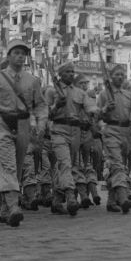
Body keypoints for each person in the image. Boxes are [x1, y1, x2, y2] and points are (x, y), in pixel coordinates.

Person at [0, 39, 48, 227]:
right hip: (2, 124)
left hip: (23, 125)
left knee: (18, 167)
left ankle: (4, 207)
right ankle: (13, 207)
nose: (20, 56)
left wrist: (42, 124)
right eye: (16, 53)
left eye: (23, 53)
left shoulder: (32, 80)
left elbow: (41, 105)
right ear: (9, 55)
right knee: (7, 165)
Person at [44, 62, 97, 216]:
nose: (71, 74)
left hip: (76, 131)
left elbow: (90, 108)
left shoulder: (80, 93)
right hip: (59, 130)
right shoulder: (52, 91)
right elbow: (45, 114)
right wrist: (56, 106)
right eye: (67, 72)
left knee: (69, 166)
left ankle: (56, 200)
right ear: (60, 74)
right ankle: (70, 197)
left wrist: (100, 112)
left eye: (72, 72)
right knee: (65, 163)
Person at [97, 64, 131, 214]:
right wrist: (105, 109)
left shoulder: (128, 95)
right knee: (117, 165)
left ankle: (111, 200)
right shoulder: (103, 95)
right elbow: (95, 115)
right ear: (111, 76)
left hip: (127, 133)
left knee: (124, 166)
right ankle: (123, 198)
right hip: (111, 131)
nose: (120, 77)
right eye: (117, 74)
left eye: (122, 75)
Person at [74, 74, 102, 206]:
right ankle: (83, 196)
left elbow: (96, 117)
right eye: (82, 83)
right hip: (74, 133)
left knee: (88, 165)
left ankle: (92, 195)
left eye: (86, 83)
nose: (85, 86)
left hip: (87, 134)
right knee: (76, 165)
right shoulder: (72, 97)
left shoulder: (89, 100)